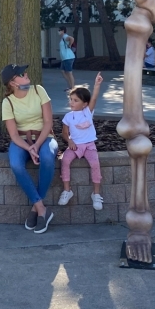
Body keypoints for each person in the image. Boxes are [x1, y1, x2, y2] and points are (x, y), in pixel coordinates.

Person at [1, 64, 57, 234]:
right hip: (22, 141)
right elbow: (14, 135)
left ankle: (35, 209)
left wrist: (37, 145)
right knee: (16, 165)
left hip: (45, 137)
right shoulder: (7, 102)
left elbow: (48, 122)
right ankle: (41, 208)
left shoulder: (39, 90)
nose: (26, 74)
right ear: (12, 83)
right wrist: (29, 148)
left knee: (47, 158)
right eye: (20, 74)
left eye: (24, 71)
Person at [58, 73, 105, 210]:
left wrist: (97, 84)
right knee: (65, 160)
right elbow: (64, 133)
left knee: (95, 163)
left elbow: (94, 98)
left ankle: (96, 194)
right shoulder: (68, 116)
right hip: (75, 146)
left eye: (76, 100)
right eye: (71, 99)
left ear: (85, 103)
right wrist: (69, 142)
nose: (71, 102)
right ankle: (67, 190)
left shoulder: (87, 112)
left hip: (89, 146)